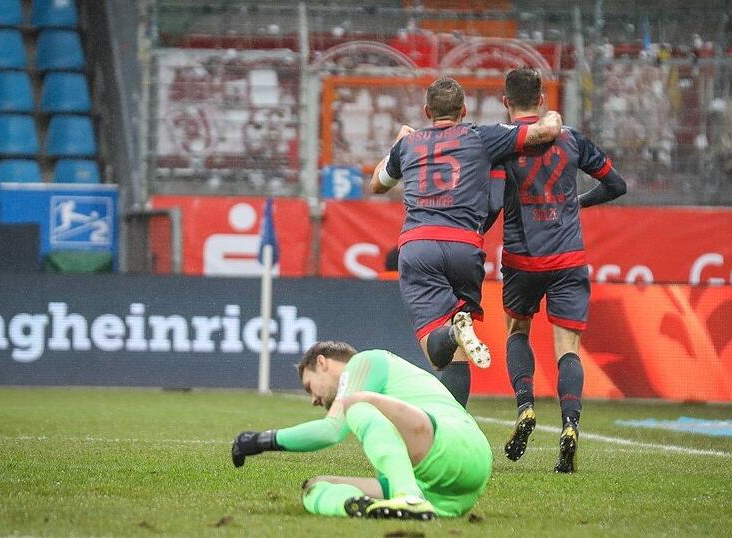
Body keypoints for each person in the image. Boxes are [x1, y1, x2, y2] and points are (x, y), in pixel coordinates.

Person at [368, 77, 563, 407]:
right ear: (464, 109)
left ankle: (451, 333)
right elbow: (544, 132)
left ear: (427, 111)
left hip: (419, 246)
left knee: (439, 351)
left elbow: (377, 184)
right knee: (456, 357)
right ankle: (454, 426)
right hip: (466, 248)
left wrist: (397, 143)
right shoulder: (483, 136)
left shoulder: (409, 144)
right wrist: (554, 115)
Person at [492, 67, 627, 473]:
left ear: (505, 102)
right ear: (543, 100)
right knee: (567, 349)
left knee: (517, 331)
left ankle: (526, 407)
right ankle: (569, 426)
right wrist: (576, 202)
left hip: (521, 259)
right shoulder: (571, 139)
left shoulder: (500, 142)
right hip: (568, 257)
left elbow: (492, 200)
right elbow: (616, 185)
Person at [230, 341, 492, 520]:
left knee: (355, 405)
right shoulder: (390, 395)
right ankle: (365, 508)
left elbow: (331, 430)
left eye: (310, 387)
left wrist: (261, 440)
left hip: (452, 443)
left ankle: (409, 497)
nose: (313, 400)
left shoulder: (365, 361)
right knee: (315, 487)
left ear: (322, 362)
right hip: (454, 492)